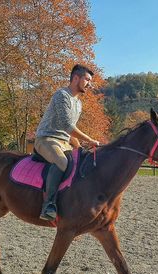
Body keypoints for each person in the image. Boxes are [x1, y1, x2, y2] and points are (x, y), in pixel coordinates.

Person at [35, 64, 100, 221]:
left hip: (65, 142)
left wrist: (80, 146)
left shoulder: (78, 104)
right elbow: (67, 126)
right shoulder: (62, 95)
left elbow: (70, 132)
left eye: (90, 81)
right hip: (46, 139)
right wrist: (90, 139)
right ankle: (48, 205)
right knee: (62, 161)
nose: (89, 84)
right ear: (76, 78)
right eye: (87, 79)